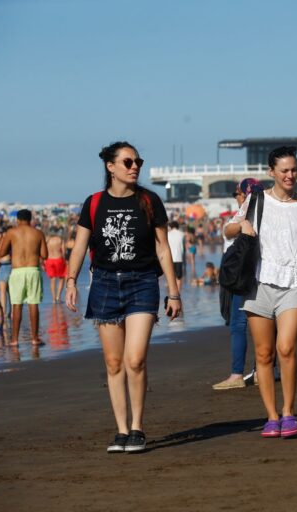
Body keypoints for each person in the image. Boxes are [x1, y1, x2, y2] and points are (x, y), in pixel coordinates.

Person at [65, 141, 182, 453]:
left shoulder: (149, 201)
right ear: (111, 167)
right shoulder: (94, 203)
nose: (135, 167)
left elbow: (163, 248)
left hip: (142, 282)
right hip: (104, 284)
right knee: (114, 362)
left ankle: (137, 427)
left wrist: (174, 292)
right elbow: (80, 245)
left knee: (135, 359)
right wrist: (71, 280)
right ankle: (120, 430)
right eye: (128, 162)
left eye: (138, 162)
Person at [225, 146, 297, 438]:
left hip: (294, 283)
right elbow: (227, 230)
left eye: (294, 169)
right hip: (258, 284)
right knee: (264, 353)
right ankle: (271, 416)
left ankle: (289, 412)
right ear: (272, 172)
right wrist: (242, 225)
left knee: (286, 348)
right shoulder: (257, 200)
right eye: (284, 170)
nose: (290, 175)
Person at [212, 178, 264, 391]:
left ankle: (236, 374)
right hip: (263, 274)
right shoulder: (268, 207)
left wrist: (241, 224)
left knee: (238, 324)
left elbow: (228, 232)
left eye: (238, 193)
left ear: (245, 194)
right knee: (264, 324)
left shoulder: (248, 208)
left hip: (244, 275)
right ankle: (263, 370)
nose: (236, 197)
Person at [0, 209, 47, 346]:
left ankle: (14, 340)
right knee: (33, 304)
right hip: (33, 270)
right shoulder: (38, 233)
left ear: (17, 220)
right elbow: (45, 255)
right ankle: (34, 339)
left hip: (17, 271)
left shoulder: (11, 232)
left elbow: (2, 253)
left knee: (16, 305)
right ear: (30, 219)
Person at [45, 230, 68, 303]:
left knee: (52, 280)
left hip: (49, 260)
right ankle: (58, 296)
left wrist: (44, 261)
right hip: (58, 259)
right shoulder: (60, 239)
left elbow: (44, 251)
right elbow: (63, 252)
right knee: (61, 278)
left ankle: (53, 299)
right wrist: (64, 260)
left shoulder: (47, 240)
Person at [167, 221, 186, 292]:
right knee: (179, 277)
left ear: (171, 227)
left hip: (170, 258)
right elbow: (183, 248)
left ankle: (171, 293)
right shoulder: (182, 234)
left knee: (170, 277)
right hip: (179, 257)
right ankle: (178, 293)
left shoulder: (168, 234)